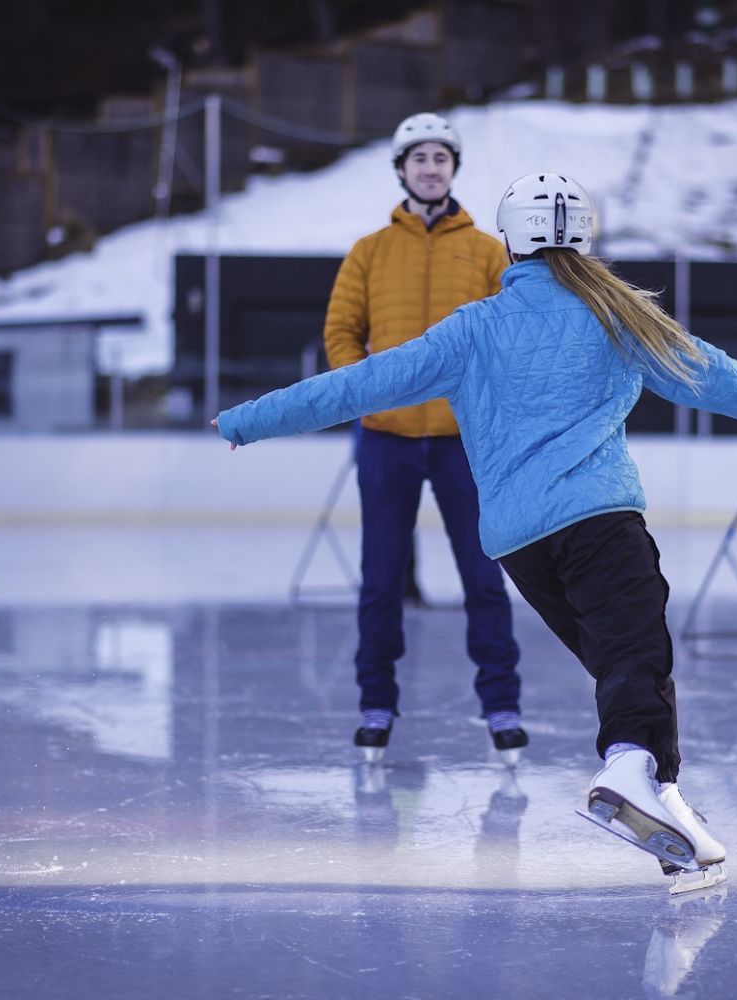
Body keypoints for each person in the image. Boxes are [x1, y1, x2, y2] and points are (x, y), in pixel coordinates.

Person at [214, 172, 737, 891]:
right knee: (636, 656)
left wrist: (249, 419)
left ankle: (663, 803)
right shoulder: (619, 316)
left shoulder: (475, 326)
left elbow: (360, 384)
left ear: (510, 242)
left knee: (626, 665)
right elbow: (726, 380)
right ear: (586, 236)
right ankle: (634, 769)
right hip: (601, 520)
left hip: (520, 544)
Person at [322, 112, 524, 764]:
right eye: (419, 158)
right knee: (381, 581)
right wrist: (368, 389)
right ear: (401, 168)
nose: (430, 168)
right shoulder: (370, 251)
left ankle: (502, 705)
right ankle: (375, 702)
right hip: (387, 438)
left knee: (484, 578)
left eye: (441, 158)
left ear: (453, 169)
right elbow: (340, 333)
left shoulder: (490, 253)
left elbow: (511, 337)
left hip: (465, 442)